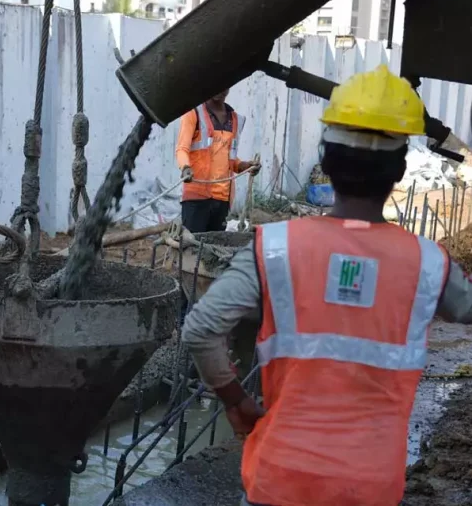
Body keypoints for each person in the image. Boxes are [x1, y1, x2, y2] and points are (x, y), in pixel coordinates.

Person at [181, 65, 472, 506]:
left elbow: (201, 328)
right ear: (398, 171)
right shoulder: (431, 264)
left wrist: (236, 401)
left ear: (327, 161)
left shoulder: (274, 247)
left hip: (279, 481)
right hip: (369, 488)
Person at [176, 89, 260, 233]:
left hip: (222, 199)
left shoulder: (234, 119)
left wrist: (244, 166)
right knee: (192, 247)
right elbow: (182, 149)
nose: (220, 89)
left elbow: (230, 159)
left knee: (214, 248)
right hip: (197, 197)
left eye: (225, 85)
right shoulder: (194, 113)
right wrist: (185, 167)